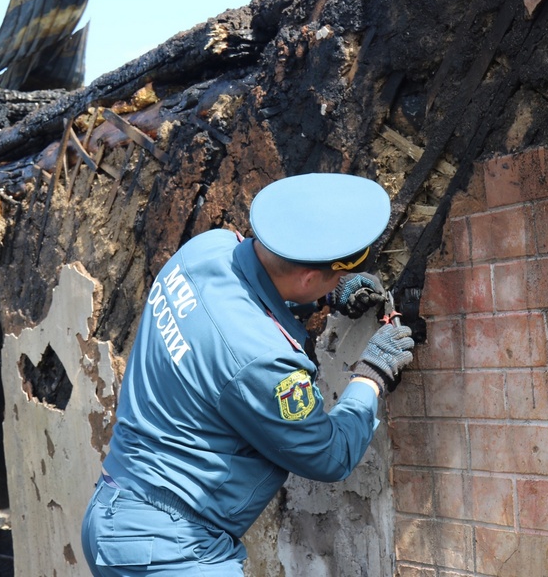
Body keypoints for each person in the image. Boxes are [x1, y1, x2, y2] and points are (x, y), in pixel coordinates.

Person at [81, 172, 415, 575]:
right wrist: (372, 372)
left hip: (116, 512)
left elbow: (239, 305)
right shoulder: (262, 362)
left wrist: (323, 297)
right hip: (170, 550)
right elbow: (327, 455)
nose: (340, 282)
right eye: (335, 277)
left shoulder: (205, 249)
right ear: (307, 276)